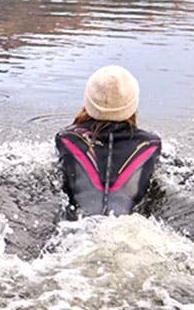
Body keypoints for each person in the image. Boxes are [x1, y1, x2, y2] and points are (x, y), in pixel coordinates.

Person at [55, 65, 162, 219]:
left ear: (88, 101)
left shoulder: (66, 139)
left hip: (78, 229)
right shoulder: (151, 145)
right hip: (130, 228)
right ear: (133, 104)